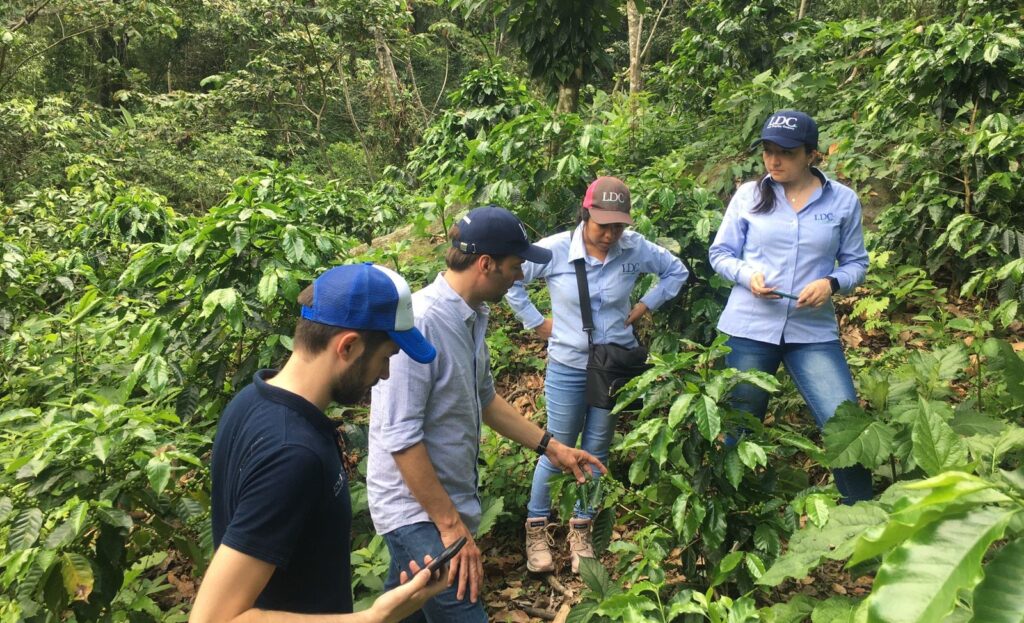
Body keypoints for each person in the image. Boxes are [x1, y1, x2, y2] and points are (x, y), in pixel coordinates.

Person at [367, 205, 607, 622]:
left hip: (444, 503)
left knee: (399, 613)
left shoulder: (473, 315)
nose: (520, 277)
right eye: (515, 267)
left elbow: (486, 400)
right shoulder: (422, 322)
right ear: (485, 264)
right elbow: (400, 438)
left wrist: (552, 448)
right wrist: (451, 528)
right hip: (416, 511)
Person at [191, 263, 447, 622]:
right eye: (386, 357)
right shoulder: (294, 454)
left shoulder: (251, 400)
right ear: (348, 346)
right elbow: (213, 619)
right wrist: (370, 619)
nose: (386, 373)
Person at [504, 176, 689, 574]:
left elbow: (675, 271)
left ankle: (581, 531)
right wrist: (536, 323)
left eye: (618, 225)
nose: (610, 234)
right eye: (603, 224)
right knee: (557, 446)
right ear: (585, 214)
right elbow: (511, 282)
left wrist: (643, 306)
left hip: (613, 365)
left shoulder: (633, 248)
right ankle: (537, 528)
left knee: (599, 448)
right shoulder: (554, 250)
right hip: (568, 363)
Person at [708, 109, 873, 504]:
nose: (774, 161)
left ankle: (865, 519)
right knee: (739, 428)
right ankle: (737, 518)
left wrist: (831, 283)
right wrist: (749, 276)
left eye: (786, 152)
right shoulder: (749, 196)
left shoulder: (842, 201)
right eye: (767, 151)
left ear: (811, 154)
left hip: (811, 331)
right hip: (749, 328)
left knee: (845, 424)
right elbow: (720, 253)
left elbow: (857, 262)